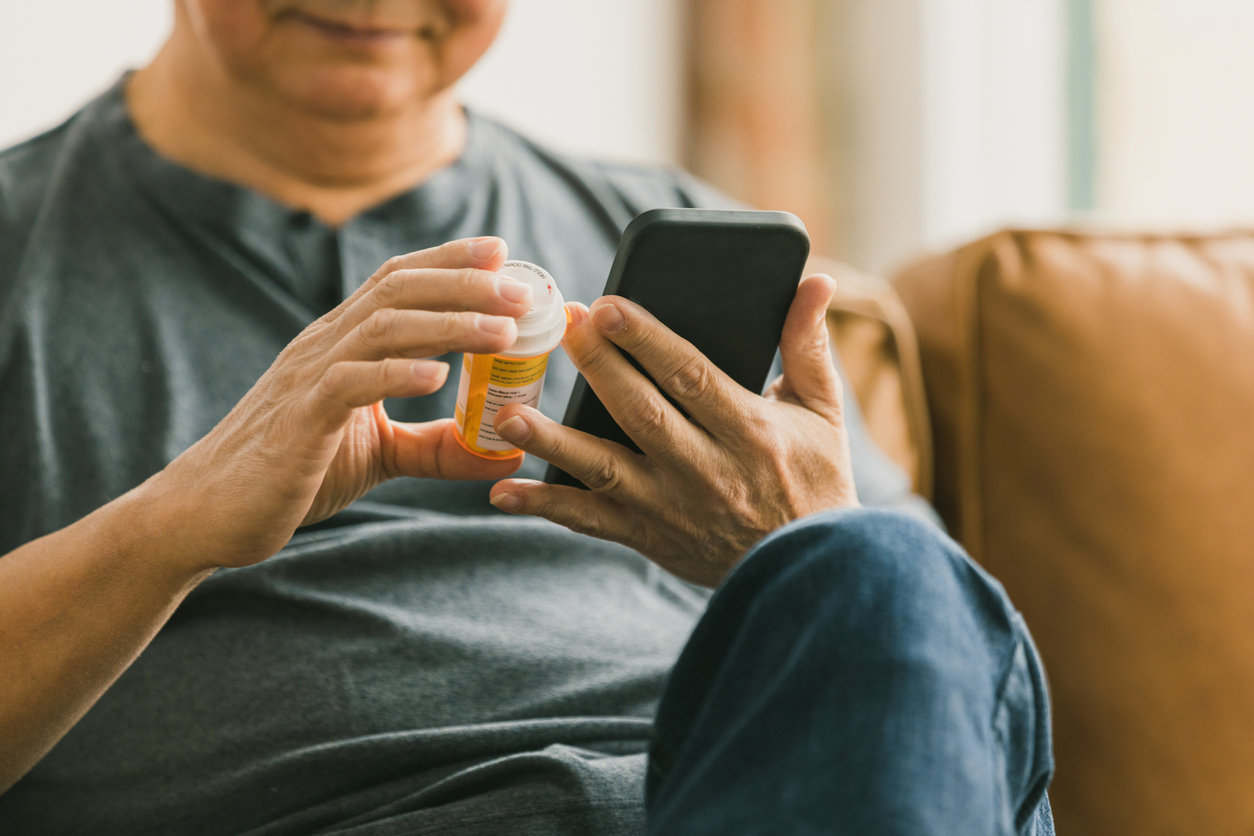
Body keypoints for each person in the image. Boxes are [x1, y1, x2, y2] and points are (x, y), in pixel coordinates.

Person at [0, 0, 1054, 833]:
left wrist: (788, 539)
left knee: (880, 570)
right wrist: (170, 523)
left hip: (755, 794)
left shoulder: (663, 234)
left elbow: (961, 686)